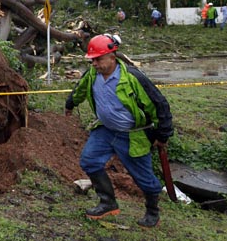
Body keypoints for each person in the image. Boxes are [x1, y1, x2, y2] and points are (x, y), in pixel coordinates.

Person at [64, 34, 174, 228]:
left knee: (144, 178)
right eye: (92, 60)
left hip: (133, 135)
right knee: (89, 161)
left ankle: (152, 212)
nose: (95, 64)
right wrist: (70, 104)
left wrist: (162, 134)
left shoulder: (133, 78)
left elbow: (159, 105)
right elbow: (80, 89)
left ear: (112, 57)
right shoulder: (91, 75)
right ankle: (107, 202)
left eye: (98, 59)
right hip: (105, 131)